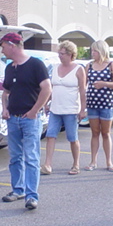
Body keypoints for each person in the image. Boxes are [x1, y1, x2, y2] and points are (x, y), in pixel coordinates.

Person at [0, 32, 52, 210]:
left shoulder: (35, 64)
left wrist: (34, 111)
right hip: (13, 119)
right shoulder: (9, 67)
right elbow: (5, 92)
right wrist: (5, 109)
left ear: (12, 45)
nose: (2, 50)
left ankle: (31, 196)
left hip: (30, 120)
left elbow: (46, 88)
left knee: (31, 157)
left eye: (3, 46)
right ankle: (18, 190)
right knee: (15, 157)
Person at [41, 41, 87, 176]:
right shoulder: (55, 67)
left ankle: (76, 164)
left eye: (62, 54)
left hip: (71, 110)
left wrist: (82, 109)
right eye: (59, 53)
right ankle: (47, 164)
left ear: (70, 54)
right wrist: (46, 103)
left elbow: (83, 91)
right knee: (50, 135)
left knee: (72, 137)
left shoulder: (79, 69)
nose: (60, 56)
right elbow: (51, 88)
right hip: (55, 108)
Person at [84, 40, 113, 172]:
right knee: (94, 133)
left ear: (101, 51)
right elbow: (83, 84)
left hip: (106, 104)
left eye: (95, 51)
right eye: (92, 50)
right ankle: (93, 161)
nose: (92, 53)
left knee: (106, 133)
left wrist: (104, 84)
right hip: (92, 103)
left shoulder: (112, 65)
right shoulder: (89, 65)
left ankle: (109, 162)